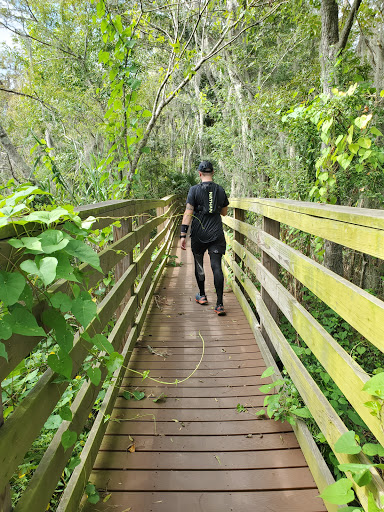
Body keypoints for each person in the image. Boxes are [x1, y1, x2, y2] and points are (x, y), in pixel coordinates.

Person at [180, 160, 229, 316]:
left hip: (199, 234)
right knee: (216, 266)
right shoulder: (220, 190)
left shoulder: (193, 190)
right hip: (216, 233)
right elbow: (224, 213)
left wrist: (183, 235)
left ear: (199, 174)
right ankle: (220, 304)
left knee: (199, 263)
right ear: (213, 173)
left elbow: (188, 213)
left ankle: (202, 295)